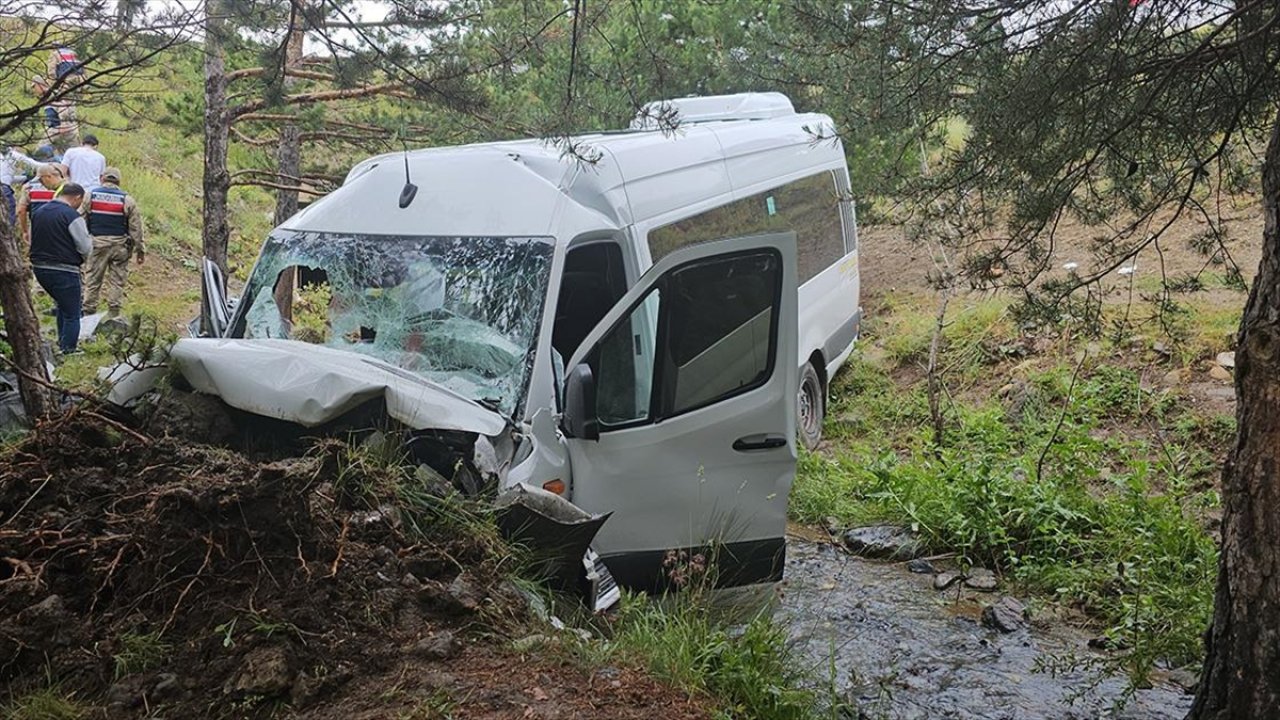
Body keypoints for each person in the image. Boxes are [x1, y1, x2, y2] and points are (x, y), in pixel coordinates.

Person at [30, 183, 92, 354]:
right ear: (77, 197)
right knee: (72, 312)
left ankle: (61, 342)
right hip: (65, 268)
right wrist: (83, 259)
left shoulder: (39, 212)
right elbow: (85, 245)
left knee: (62, 306)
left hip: (40, 268)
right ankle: (69, 349)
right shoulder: (71, 215)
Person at [82, 167, 143, 319]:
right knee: (117, 280)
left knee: (93, 279)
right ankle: (114, 313)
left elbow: (81, 220)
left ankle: (88, 312)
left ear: (102, 178)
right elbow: (136, 229)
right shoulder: (127, 200)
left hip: (96, 244)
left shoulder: (90, 196)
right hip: (120, 246)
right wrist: (140, 250)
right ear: (119, 181)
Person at [15, 163, 64, 247]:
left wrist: (25, 231)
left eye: (41, 179)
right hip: (60, 228)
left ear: (48, 177)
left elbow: (21, 210)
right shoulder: (70, 187)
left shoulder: (29, 186)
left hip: (37, 226)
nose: (41, 182)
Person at [0, 145, 36, 226]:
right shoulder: (12, 155)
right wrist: (52, 165)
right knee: (8, 217)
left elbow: (6, 177)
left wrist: (24, 178)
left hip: (4, 185)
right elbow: (34, 165)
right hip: (3, 189)